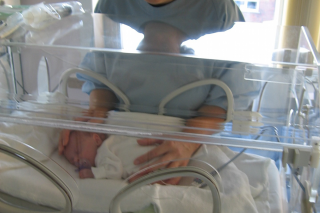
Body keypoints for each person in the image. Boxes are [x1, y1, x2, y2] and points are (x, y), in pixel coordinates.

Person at [59, 0, 253, 185]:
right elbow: (100, 70)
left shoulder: (217, 11)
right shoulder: (112, 5)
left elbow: (231, 91)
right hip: (121, 127)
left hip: (191, 133)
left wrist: (189, 139)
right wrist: (96, 113)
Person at [63, 130, 160, 180]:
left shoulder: (103, 152)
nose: (76, 159)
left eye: (78, 151)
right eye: (72, 160)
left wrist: (92, 173)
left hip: (154, 161)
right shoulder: (113, 142)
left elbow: (115, 171)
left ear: (96, 140)